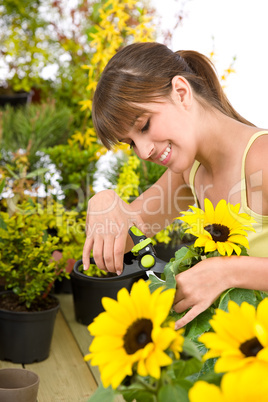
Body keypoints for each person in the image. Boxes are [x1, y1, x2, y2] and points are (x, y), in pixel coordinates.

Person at [82, 42, 268, 329]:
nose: (143, 152)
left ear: (181, 93)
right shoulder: (189, 173)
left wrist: (227, 271)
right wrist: (104, 201)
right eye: (131, 143)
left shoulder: (262, 159)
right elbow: (126, 236)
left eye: (144, 126)